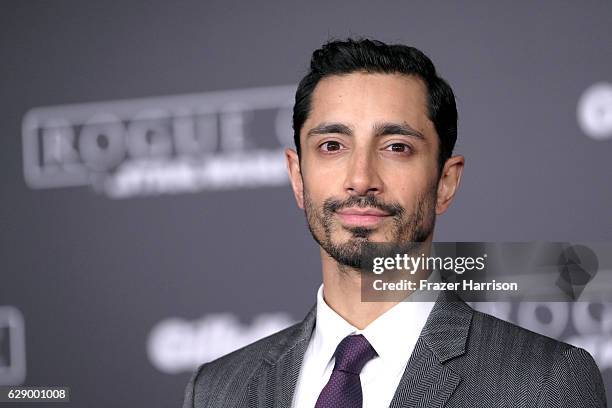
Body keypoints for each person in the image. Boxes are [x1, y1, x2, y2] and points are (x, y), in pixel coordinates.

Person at [182, 38, 607, 408]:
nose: (361, 178)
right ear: (297, 177)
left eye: (396, 147)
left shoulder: (545, 383)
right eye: (332, 145)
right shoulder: (218, 390)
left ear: (445, 181)